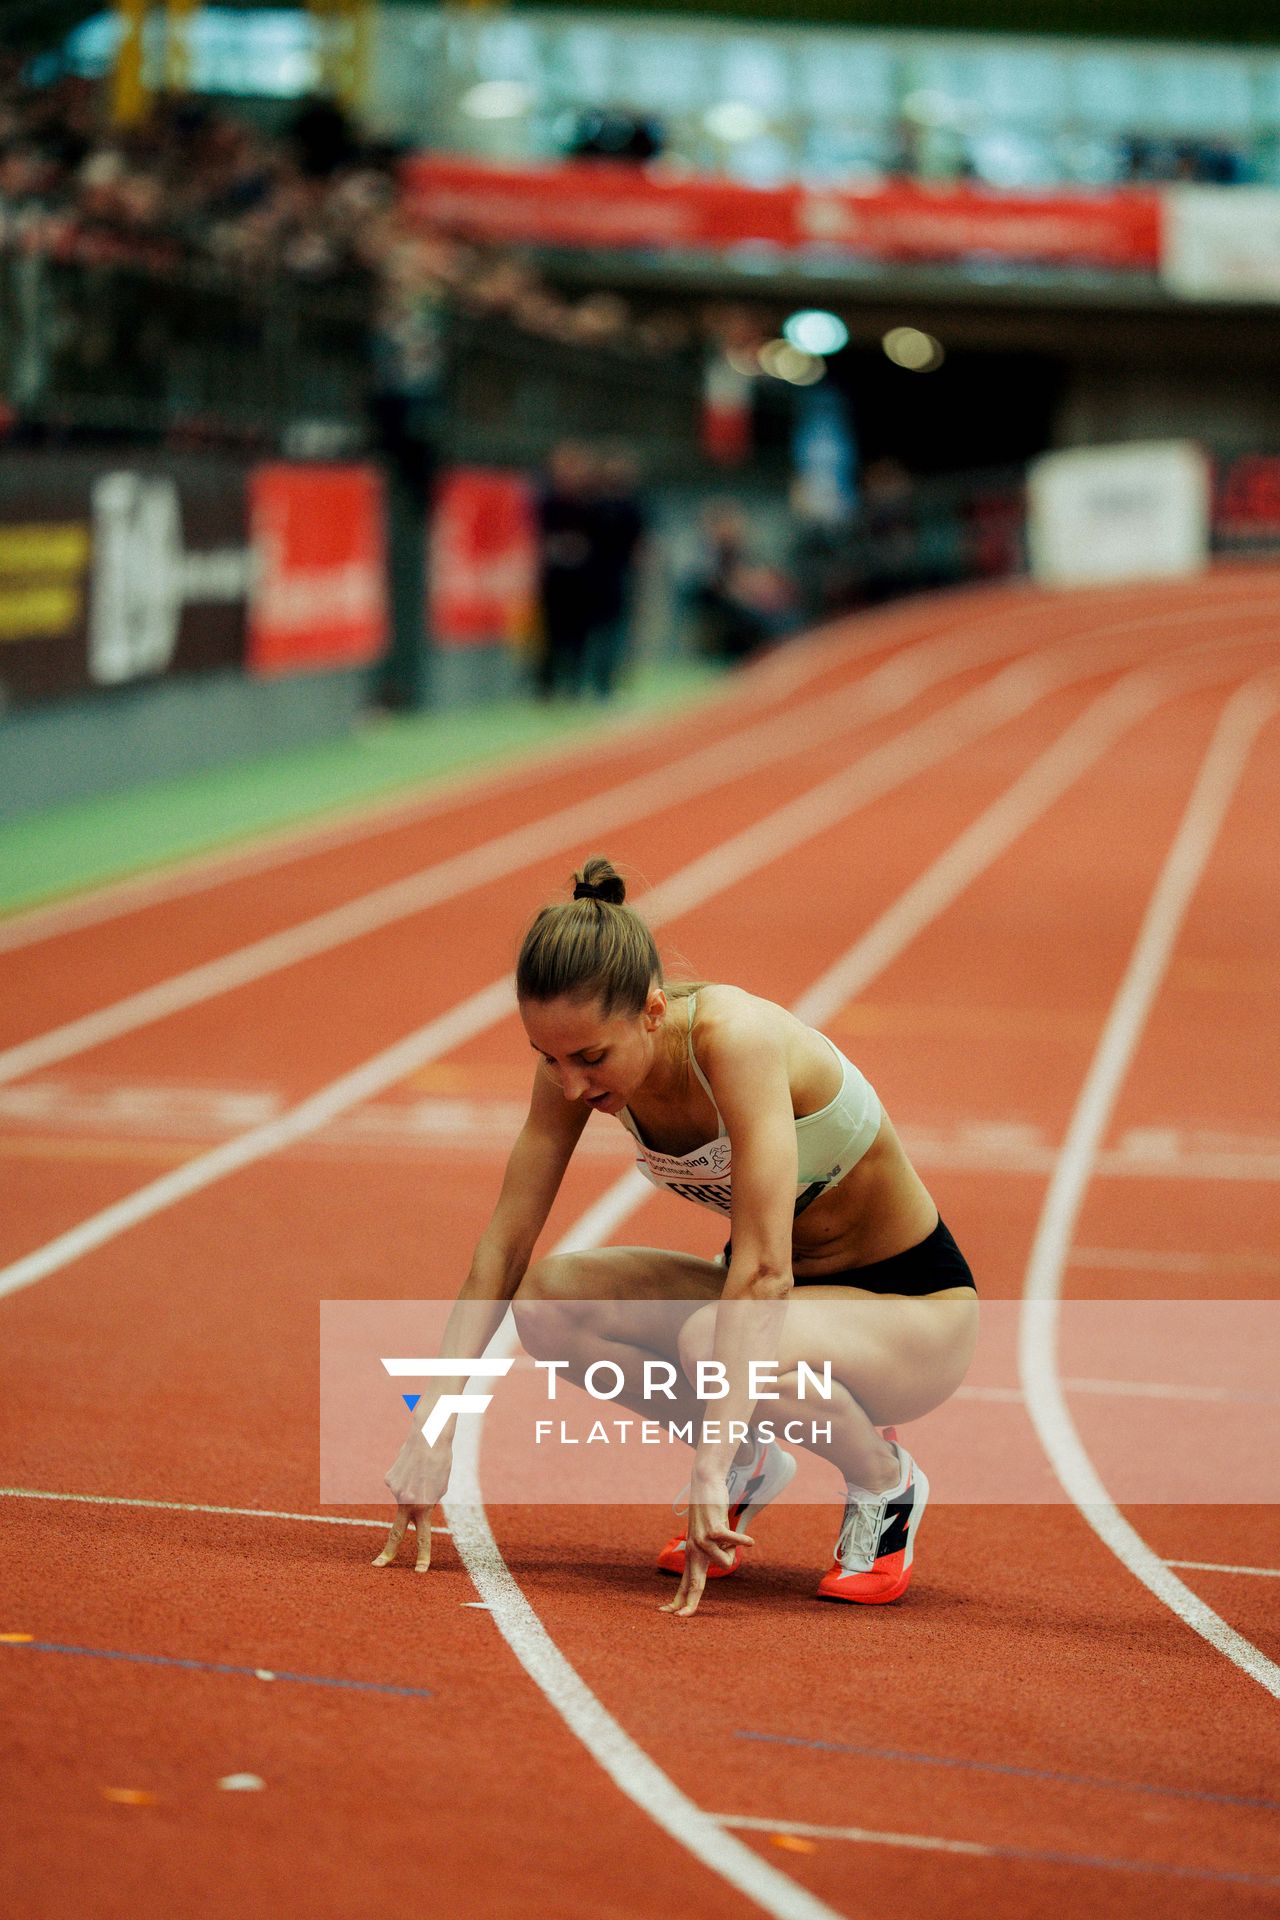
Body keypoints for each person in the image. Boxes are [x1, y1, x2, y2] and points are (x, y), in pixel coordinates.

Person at [376, 857, 979, 1618]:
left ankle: (885, 1481)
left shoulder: (737, 1038)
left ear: (654, 1011)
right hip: (788, 1305)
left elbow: (763, 1272)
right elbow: (502, 1248)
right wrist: (433, 1427)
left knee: (707, 1336)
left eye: (591, 1059)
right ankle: (754, 1464)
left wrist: (703, 1464)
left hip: (911, 1311)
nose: (571, 1086)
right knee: (548, 1303)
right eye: (548, 1059)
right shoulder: (574, 1067)